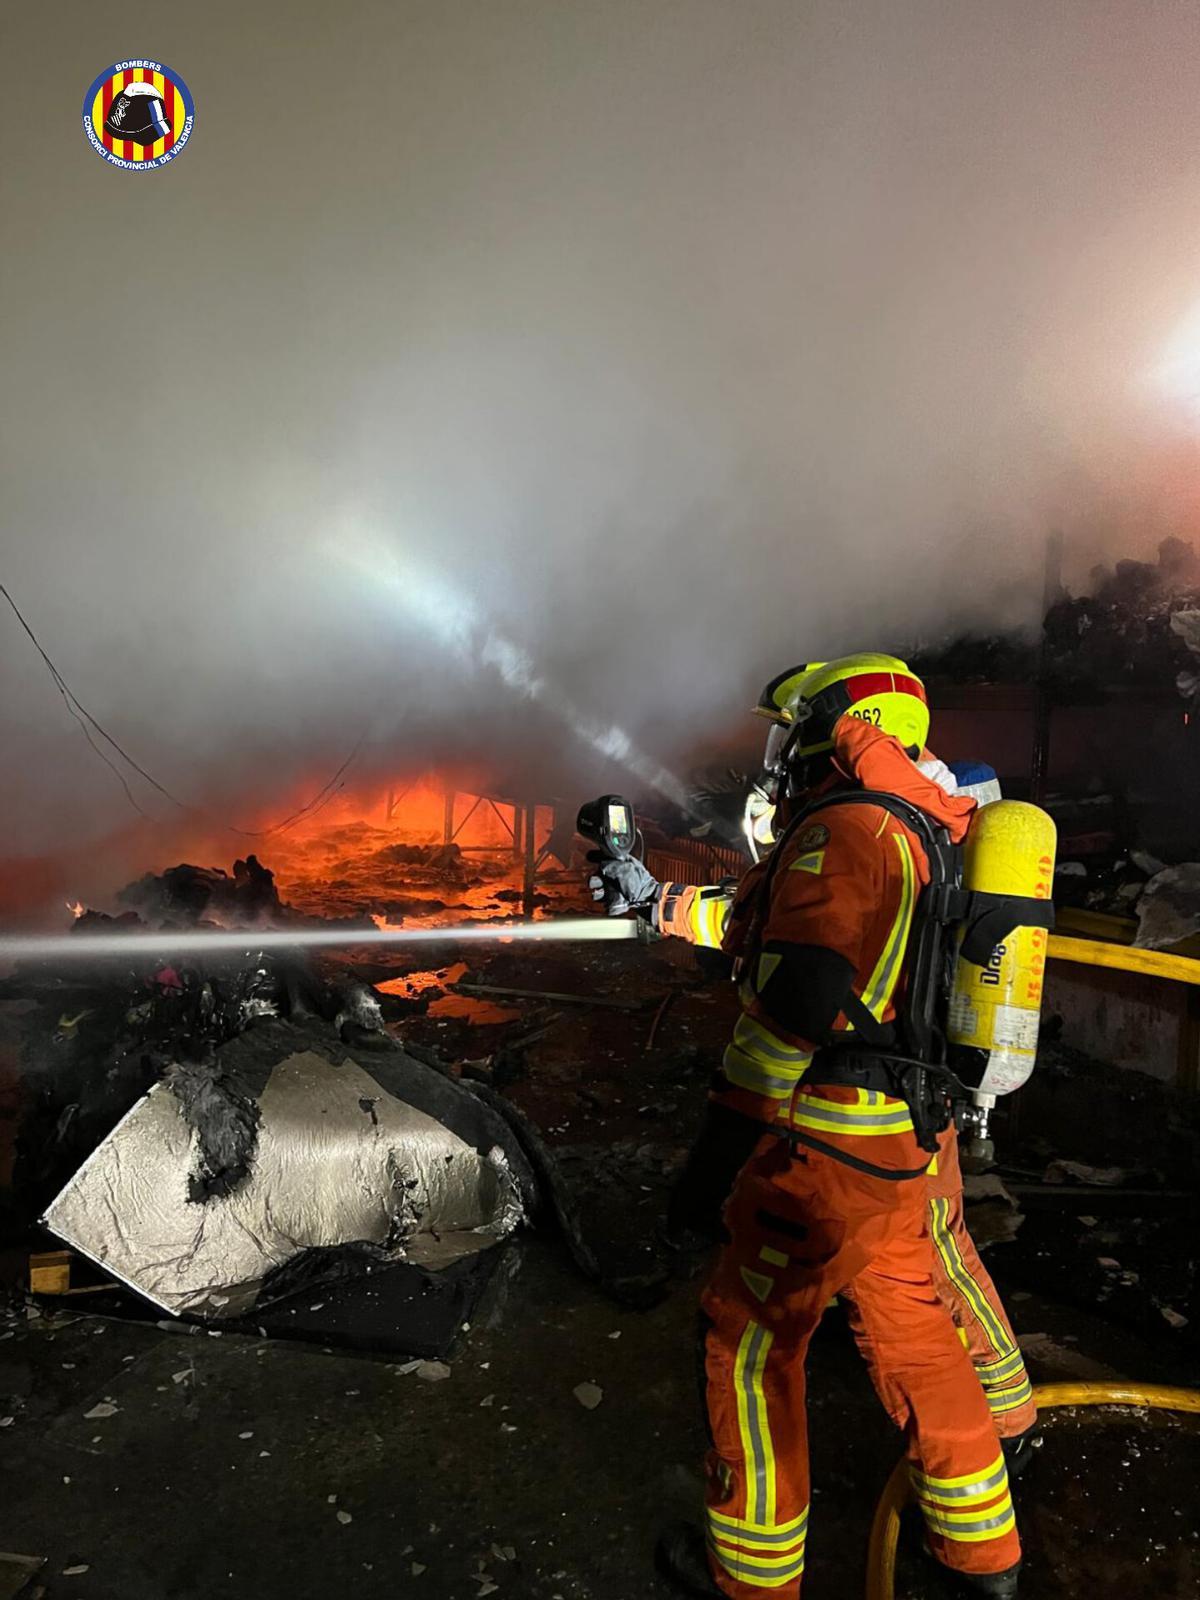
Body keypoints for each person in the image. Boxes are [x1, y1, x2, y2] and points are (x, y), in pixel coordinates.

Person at [590, 655, 1026, 1598]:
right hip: (906, 1137)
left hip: (826, 1150)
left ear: (830, 728)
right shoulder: (926, 825)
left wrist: (710, 1167)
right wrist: (653, 901)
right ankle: (982, 1563)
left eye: (791, 731)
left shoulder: (845, 828)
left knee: (749, 1343)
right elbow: (773, 934)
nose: (779, 754)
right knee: (913, 1332)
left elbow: (800, 997)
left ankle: (750, 1578)